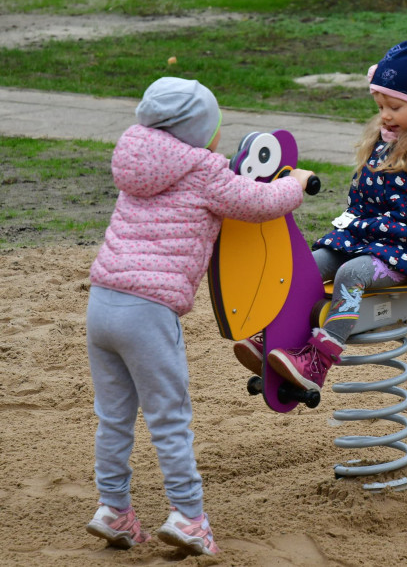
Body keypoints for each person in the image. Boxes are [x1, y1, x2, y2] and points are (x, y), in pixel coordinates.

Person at [84, 77, 314, 556]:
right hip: (148, 311)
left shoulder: (139, 162)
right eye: (216, 126)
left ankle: (113, 510)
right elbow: (258, 204)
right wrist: (294, 183)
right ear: (199, 131)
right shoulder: (204, 170)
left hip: (102, 302)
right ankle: (189, 517)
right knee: (169, 419)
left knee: (114, 418)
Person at [234, 39, 407, 393]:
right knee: (306, 266)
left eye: (394, 106)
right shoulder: (385, 138)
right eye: (380, 104)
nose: (385, 114)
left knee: (352, 273)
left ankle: (317, 362)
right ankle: (273, 336)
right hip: (364, 238)